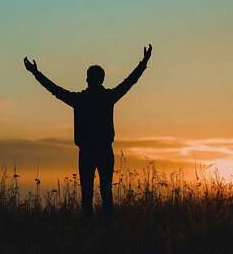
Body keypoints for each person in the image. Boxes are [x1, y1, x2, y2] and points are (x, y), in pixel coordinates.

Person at [23, 44, 152, 217]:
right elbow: (130, 81)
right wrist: (143, 62)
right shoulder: (108, 97)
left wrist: (35, 73)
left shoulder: (80, 99)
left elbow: (54, 89)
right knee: (106, 192)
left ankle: (88, 227)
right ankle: (107, 227)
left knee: (87, 195)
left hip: (87, 151)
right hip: (104, 150)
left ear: (87, 79)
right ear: (102, 79)